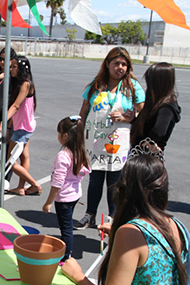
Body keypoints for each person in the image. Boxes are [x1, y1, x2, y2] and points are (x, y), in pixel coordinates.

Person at [62, 142, 189, 285]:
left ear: (126, 191)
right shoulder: (177, 226)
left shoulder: (131, 234)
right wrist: (121, 236)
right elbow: (155, 259)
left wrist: (78, 276)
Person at [75, 46, 145, 229]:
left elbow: (144, 113)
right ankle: (89, 215)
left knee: (115, 182)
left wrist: (130, 117)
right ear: (107, 64)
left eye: (124, 64)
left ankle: (113, 218)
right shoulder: (96, 85)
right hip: (96, 142)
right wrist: (79, 135)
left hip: (118, 144)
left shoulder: (133, 87)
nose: (120, 67)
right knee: (95, 179)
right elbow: (84, 110)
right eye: (116, 63)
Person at [42, 116, 91, 260]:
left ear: (65, 135)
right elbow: (85, 171)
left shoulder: (63, 156)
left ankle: (65, 257)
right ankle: (66, 254)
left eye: (59, 133)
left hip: (64, 198)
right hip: (75, 194)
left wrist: (48, 202)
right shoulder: (79, 152)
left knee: (66, 229)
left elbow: (57, 183)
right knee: (67, 227)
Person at [6, 56, 42, 196]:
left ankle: (34, 185)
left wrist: (4, 122)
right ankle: (21, 187)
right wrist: (9, 125)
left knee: (10, 160)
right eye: (11, 66)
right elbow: (17, 110)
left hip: (22, 128)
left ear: (22, 68)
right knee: (24, 157)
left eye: (14, 67)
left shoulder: (26, 84)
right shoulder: (19, 83)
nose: (11, 69)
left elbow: (15, 106)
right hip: (21, 126)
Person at [130, 62, 181, 151]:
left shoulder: (167, 106)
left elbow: (158, 131)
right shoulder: (155, 101)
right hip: (140, 154)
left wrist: (146, 143)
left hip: (148, 158)